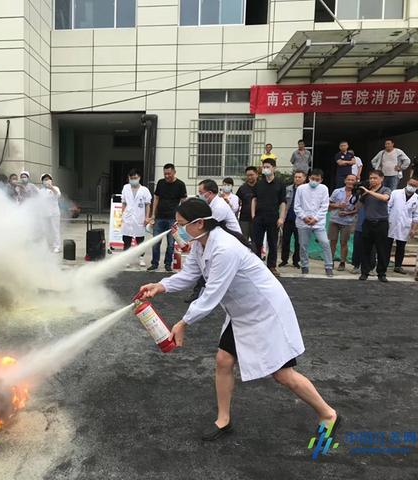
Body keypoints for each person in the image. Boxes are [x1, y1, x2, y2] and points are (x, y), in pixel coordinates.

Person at [137, 198, 339, 442]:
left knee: (283, 374)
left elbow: (211, 294)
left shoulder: (224, 248)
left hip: (265, 311)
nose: (178, 229)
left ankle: (328, 413)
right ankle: (223, 421)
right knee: (224, 360)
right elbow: (190, 275)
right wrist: (161, 286)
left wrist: (183, 323)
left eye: (182, 224)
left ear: (199, 223)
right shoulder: (200, 242)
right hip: (242, 312)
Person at [147, 163, 188, 272]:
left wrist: (181, 219)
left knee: (170, 244)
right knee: (156, 242)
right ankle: (154, 264)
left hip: (172, 219)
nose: (167, 176)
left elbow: (183, 203)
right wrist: (153, 215)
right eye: (165, 174)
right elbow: (156, 199)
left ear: (174, 172)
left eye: (169, 173)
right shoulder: (160, 183)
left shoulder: (180, 185)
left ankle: (167, 264)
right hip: (159, 218)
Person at [294, 169, 333, 277]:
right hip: (303, 221)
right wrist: (304, 217)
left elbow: (325, 206)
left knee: (325, 242)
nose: (314, 181)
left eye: (317, 179)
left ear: (321, 180)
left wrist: (315, 219)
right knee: (303, 245)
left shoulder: (324, 188)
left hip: (318, 222)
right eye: (312, 179)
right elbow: (297, 206)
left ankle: (329, 266)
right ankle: (305, 266)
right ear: (309, 178)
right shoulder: (301, 188)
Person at [251, 159, 286, 277]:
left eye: (267, 166)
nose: (265, 169)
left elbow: (282, 202)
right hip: (259, 217)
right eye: (263, 167)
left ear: (274, 168)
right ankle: (256, 265)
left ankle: (272, 266)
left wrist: (281, 218)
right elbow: (254, 199)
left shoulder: (280, 183)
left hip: (273, 217)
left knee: (272, 242)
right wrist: (253, 215)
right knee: (257, 242)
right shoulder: (259, 183)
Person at [358, 170, 392, 282]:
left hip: (381, 223)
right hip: (368, 222)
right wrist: (360, 193)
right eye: (371, 178)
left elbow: (385, 198)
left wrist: (369, 191)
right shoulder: (365, 190)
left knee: (382, 249)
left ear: (382, 179)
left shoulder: (385, 189)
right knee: (365, 249)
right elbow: (359, 205)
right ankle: (364, 272)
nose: (372, 180)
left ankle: (381, 273)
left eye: (375, 178)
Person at [121, 169, 152, 268]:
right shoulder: (125, 188)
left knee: (140, 240)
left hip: (140, 217)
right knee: (127, 240)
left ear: (139, 178)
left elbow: (148, 205)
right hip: (128, 218)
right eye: (131, 178)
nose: (133, 180)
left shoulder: (144, 190)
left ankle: (141, 258)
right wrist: (123, 214)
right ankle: (126, 259)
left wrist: (147, 217)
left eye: (135, 178)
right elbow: (124, 202)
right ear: (128, 178)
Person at [387, 177, 418, 274]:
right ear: (407, 182)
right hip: (391, 222)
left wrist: (413, 229)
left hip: (405, 225)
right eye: (411, 184)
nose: (411, 187)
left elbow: (416, 215)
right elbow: (388, 206)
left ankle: (398, 266)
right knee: (387, 245)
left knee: (401, 247)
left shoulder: (416, 198)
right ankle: (383, 263)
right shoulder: (395, 192)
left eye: (414, 186)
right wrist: (386, 220)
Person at [328, 174, 359, 271]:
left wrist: (347, 213)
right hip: (334, 220)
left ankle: (342, 262)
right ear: (345, 180)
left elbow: (357, 209)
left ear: (356, 181)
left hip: (347, 222)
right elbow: (328, 204)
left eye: (352, 180)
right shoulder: (337, 191)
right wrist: (338, 206)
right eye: (348, 179)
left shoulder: (357, 193)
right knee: (332, 241)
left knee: (343, 242)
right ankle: (330, 261)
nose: (350, 182)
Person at [279, 170, 306, 269]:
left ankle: (296, 261)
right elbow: (283, 203)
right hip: (288, 218)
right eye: (296, 177)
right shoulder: (288, 189)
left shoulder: (306, 190)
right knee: (285, 240)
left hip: (300, 220)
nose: (297, 179)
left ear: (304, 178)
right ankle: (284, 260)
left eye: (299, 177)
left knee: (298, 242)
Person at [39, 173, 62, 253]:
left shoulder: (55, 188)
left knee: (55, 230)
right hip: (44, 214)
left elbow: (58, 195)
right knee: (46, 230)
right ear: (42, 182)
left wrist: (51, 188)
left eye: (48, 179)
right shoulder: (40, 191)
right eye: (45, 180)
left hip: (54, 213)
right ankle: (47, 245)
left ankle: (57, 246)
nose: (47, 181)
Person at [237, 166, 258, 241]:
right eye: (248, 175)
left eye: (251, 175)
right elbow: (238, 203)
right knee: (243, 240)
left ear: (256, 174)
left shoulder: (261, 187)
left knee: (256, 240)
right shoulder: (242, 188)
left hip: (257, 218)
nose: (249, 177)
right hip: (244, 219)